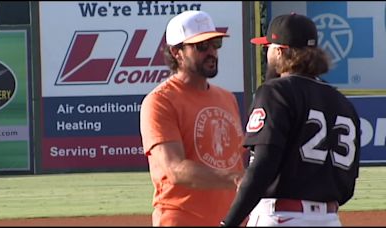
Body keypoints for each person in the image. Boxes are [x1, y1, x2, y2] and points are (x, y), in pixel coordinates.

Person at [220, 13, 361, 226]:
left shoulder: (275, 92)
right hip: (329, 219)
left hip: (282, 217)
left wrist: (228, 223)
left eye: (268, 47)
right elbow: (348, 184)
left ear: (280, 51)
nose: (267, 53)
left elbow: (262, 166)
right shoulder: (343, 103)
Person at [139, 10, 246, 226]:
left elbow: (238, 159)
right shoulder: (160, 101)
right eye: (201, 46)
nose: (212, 52)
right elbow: (174, 169)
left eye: (215, 44)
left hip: (232, 219)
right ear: (176, 52)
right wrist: (234, 179)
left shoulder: (227, 98)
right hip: (182, 219)